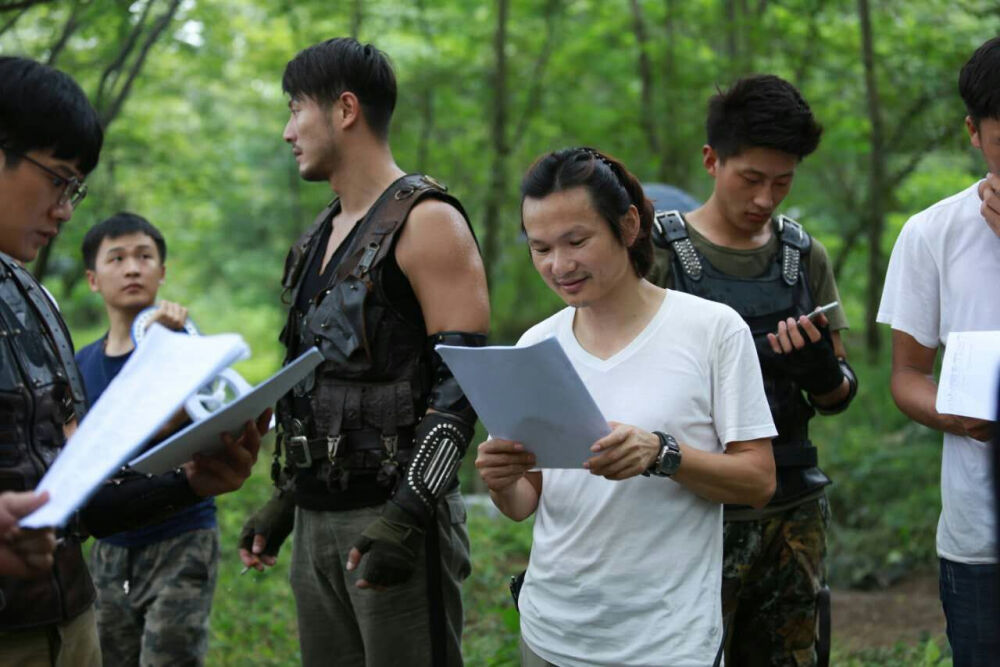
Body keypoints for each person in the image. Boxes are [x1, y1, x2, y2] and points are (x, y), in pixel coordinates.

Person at [0, 55, 266, 666]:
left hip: (72, 628)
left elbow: (79, 503)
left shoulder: (34, 303)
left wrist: (190, 482)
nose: (66, 210)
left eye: (76, 189)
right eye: (57, 179)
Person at [238, 38, 489, 667]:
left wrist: (407, 516)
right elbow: (321, 383)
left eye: (296, 109)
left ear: (344, 109)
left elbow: (464, 387)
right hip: (319, 524)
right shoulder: (317, 238)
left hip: (396, 522)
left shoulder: (427, 222)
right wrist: (290, 498)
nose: (288, 130)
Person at [475, 147, 777, 667]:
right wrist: (503, 480)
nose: (559, 265)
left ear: (629, 224)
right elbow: (528, 503)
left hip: (667, 643)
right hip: (550, 636)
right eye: (541, 248)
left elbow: (758, 481)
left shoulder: (711, 330)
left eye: (577, 241)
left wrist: (662, 453)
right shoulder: (534, 347)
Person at [645, 74, 856, 665]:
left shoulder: (802, 255)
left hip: (793, 510)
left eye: (782, 181)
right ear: (712, 161)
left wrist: (821, 375)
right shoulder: (661, 256)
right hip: (693, 508)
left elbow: (840, 393)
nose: (765, 198)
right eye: (751, 179)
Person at [877, 37, 1000, 666]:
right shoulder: (933, 233)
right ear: (973, 133)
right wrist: (954, 415)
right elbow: (907, 373)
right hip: (981, 538)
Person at [75, 212, 221, 666]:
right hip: (109, 545)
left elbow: (196, 419)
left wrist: (168, 344)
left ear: (162, 271)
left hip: (181, 533)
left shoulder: (183, 346)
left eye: (145, 256)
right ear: (93, 279)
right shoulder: (79, 364)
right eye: (116, 258)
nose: (133, 268)